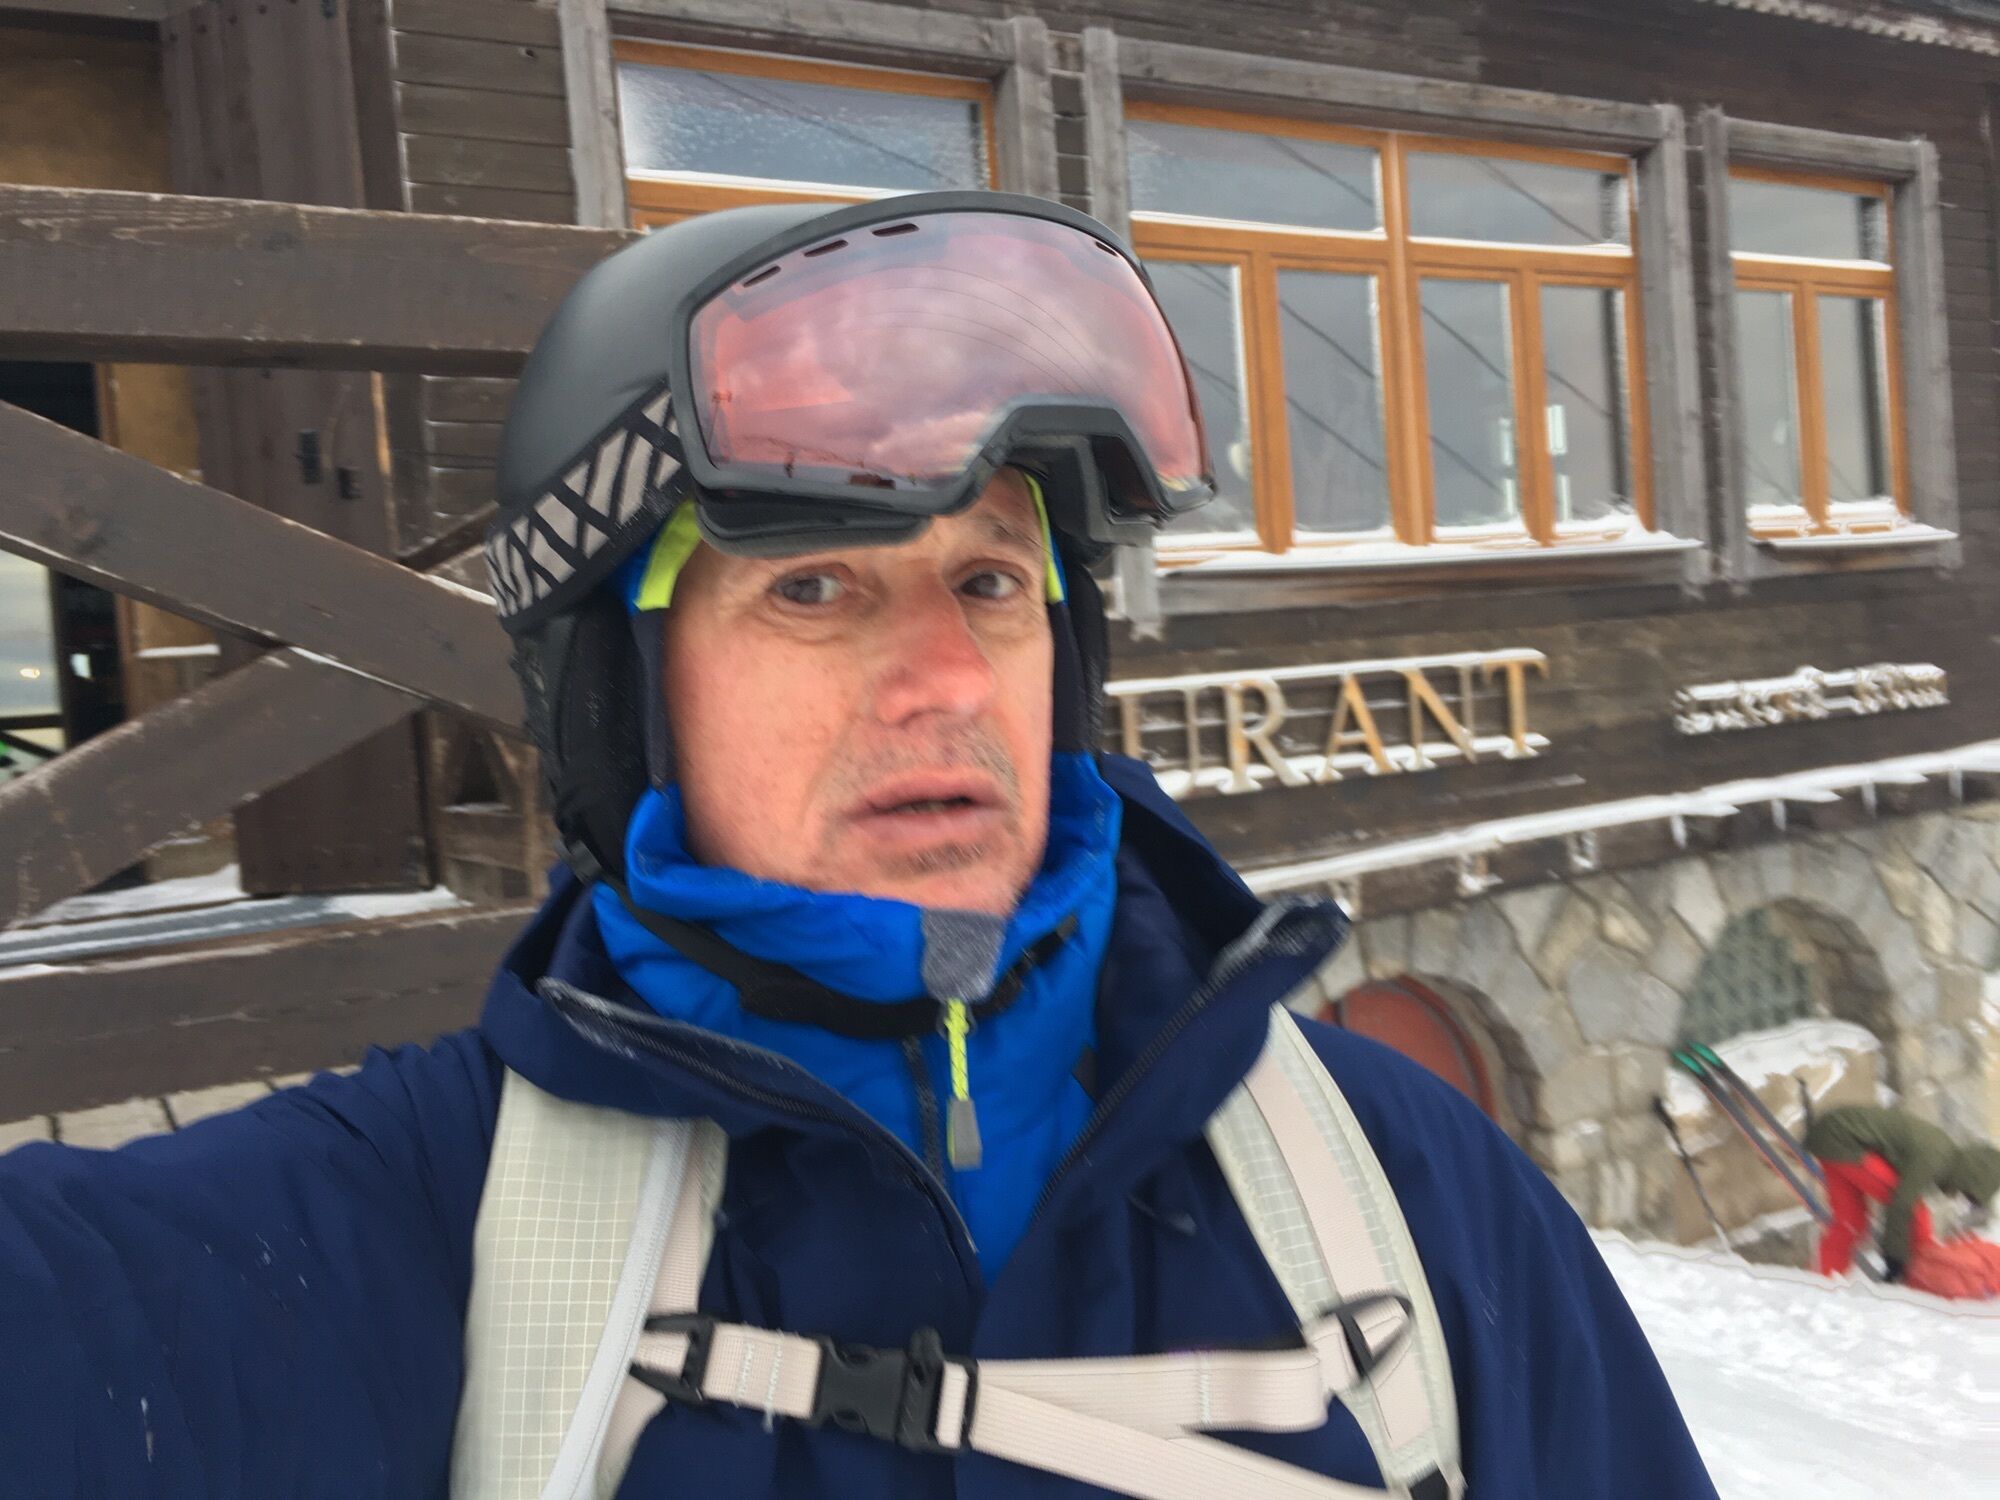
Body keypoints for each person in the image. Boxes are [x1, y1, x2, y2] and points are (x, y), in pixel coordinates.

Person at [0, 191, 1720, 1498]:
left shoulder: (1400, 1203)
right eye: (813, 586)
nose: (949, 682)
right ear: (621, 696)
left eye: (991, 581)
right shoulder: (385, 1248)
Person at [1804, 1102, 2000, 1281]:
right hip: (1845, 1139)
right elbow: (1902, 1204)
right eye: (1969, 1193)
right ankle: (1925, 1277)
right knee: (1915, 1211)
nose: (1961, 1195)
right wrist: (1895, 1261)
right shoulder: (1937, 1156)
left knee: (1850, 1223)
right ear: (1971, 1176)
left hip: (1830, 1136)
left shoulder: (1941, 1153)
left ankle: (1822, 1282)